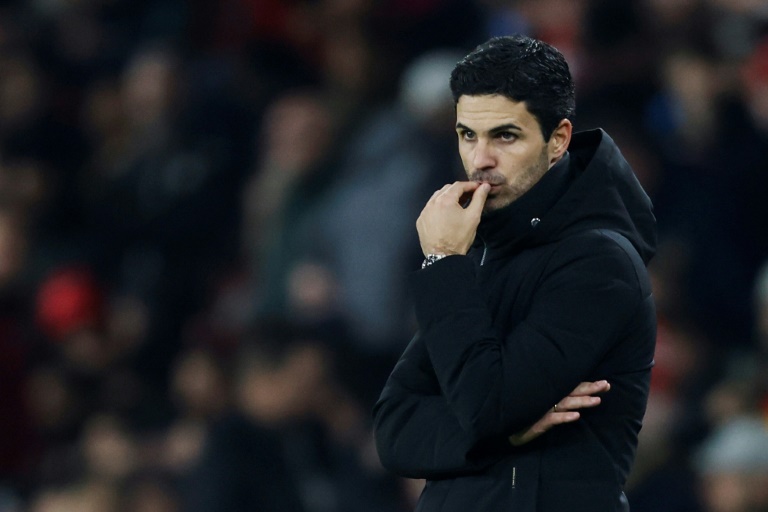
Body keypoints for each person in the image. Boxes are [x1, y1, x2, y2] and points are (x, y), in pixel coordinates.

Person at [372, 34, 657, 512]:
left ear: (558, 139)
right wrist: (504, 434)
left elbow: (486, 406)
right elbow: (393, 430)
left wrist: (443, 261)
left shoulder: (598, 262)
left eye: (505, 136)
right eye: (468, 135)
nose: (480, 160)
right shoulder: (481, 250)